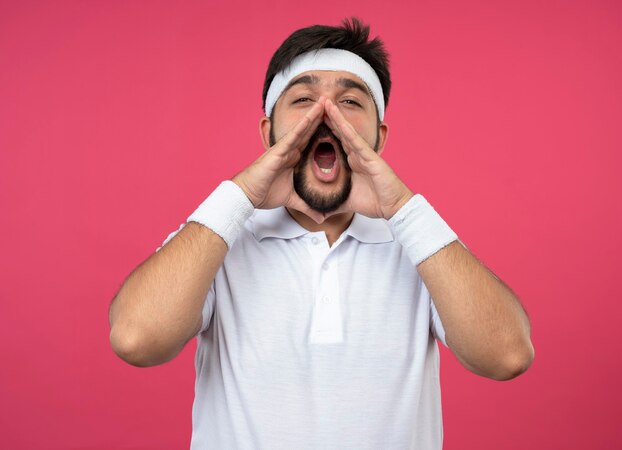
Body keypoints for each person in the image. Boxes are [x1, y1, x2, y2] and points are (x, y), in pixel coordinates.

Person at [109, 18, 534, 449]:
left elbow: (507, 356)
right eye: (304, 98)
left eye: (350, 101)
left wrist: (403, 210)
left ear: (379, 137)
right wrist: (238, 198)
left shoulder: (420, 242)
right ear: (268, 133)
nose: (325, 113)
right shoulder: (218, 237)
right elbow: (136, 339)